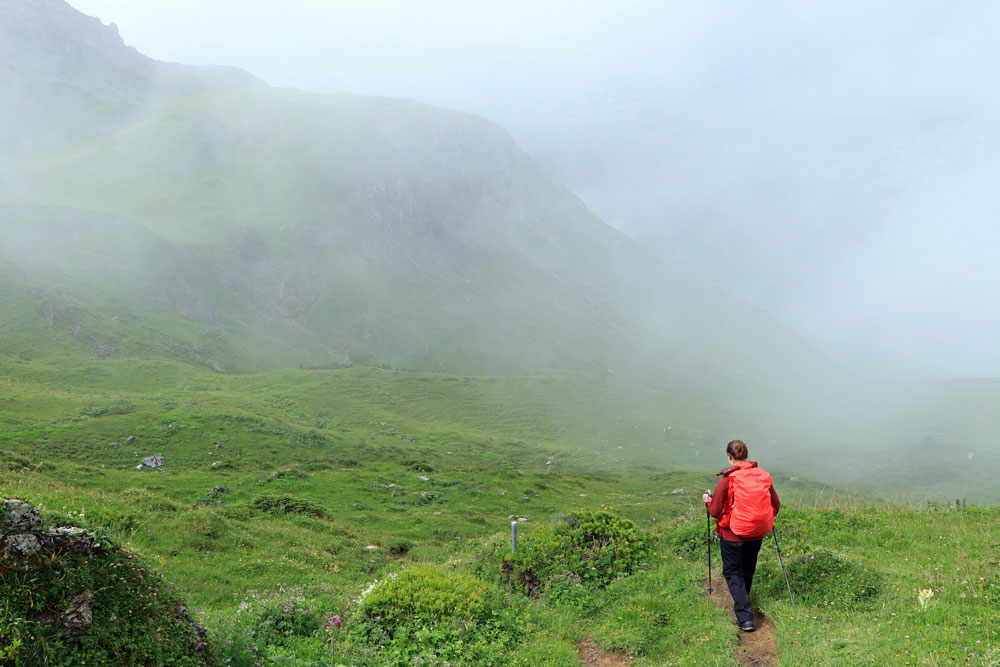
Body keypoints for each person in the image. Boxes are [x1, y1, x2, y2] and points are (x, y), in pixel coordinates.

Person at [703, 439, 780, 632]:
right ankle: (743, 598)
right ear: (746, 455)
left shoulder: (727, 480)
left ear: (729, 457)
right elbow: (775, 504)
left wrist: (707, 501)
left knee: (732, 572)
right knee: (747, 568)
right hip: (757, 534)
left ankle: (745, 617)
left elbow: (714, 511)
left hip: (732, 536)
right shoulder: (762, 476)